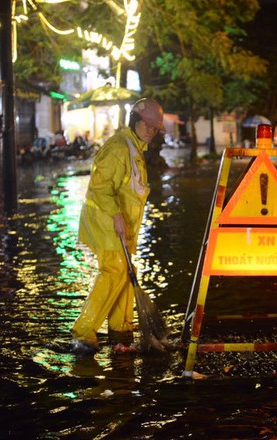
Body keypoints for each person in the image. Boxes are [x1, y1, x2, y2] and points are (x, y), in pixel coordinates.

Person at [71, 98, 165, 355]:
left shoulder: (134, 149)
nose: (150, 130)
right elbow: (100, 188)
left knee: (126, 271)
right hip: (106, 222)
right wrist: (115, 215)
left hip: (121, 225)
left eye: (154, 128)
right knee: (114, 271)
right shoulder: (118, 148)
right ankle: (83, 331)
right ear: (134, 121)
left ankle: (120, 330)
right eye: (146, 124)